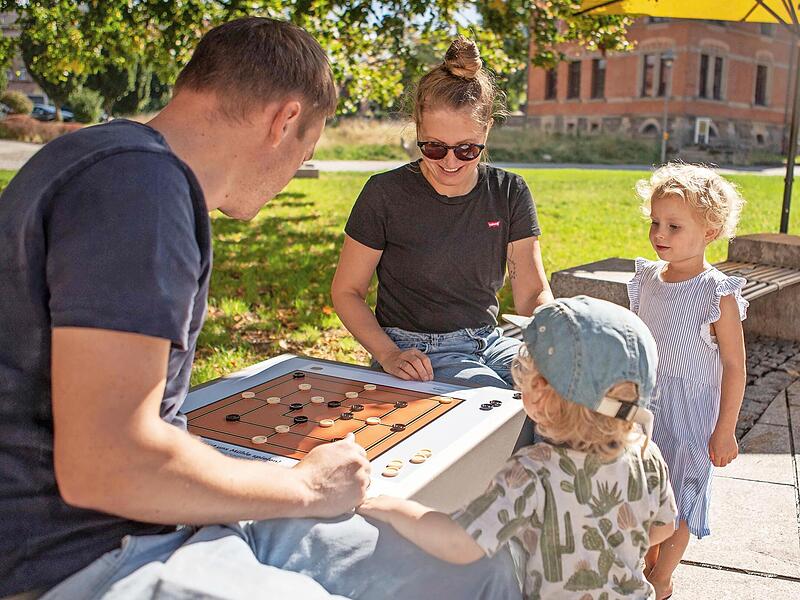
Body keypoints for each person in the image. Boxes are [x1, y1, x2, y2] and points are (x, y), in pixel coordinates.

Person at [0, 18, 519, 600]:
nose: (299, 168)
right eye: (310, 149)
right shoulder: (138, 189)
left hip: (175, 517)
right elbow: (108, 463)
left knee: (483, 573)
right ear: (285, 121)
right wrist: (304, 487)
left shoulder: (114, 161)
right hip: (87, 555)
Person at [357, 296, 679, 600]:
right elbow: (663, 526)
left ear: (538, 392)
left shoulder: (533, 470)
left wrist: (388, 505)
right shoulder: (645, 453)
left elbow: (460, 542)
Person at [331, 36, 553, 390]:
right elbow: (347, 291)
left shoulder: (509, 191)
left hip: (491, 341)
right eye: (434, 147)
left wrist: (555, 339)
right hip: (413, 350)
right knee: (492, 404)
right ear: (418, 129)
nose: (450, 162)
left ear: (487, 131)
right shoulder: (385, 194)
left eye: (467, 149)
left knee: (563, 390)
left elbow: (531, 292)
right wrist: (388, 354)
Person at [627, 163, 748, 600]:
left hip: (692, 415)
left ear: (710, 231)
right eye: (655, 223)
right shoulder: (645, 280)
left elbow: (734, 366)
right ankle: (642, 560)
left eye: (674, 226)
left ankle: (662, 577)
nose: (660, 233)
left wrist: (725, 429)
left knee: (680, 495)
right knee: (644, 490)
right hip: (648, 410)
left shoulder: (716, 293)